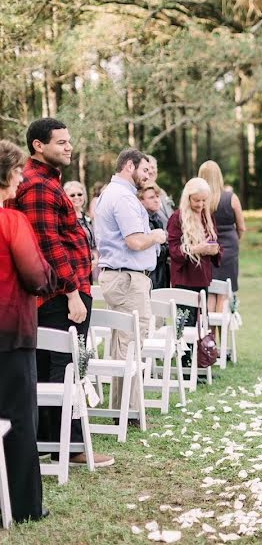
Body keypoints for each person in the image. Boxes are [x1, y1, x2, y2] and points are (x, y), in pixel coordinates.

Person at [9, 117, 113, 467]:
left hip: (58, 293)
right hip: (60, 295)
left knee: (54, 367)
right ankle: (72, 448)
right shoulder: (38, 186)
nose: (69, 147)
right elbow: (48, 246)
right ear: (38, 145)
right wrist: (71, 292)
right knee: (66, 368)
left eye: (69, 141)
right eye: (61, 142)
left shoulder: (45, 182)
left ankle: (51, 443)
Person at [0, 139, 53, 523]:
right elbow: (37, 275)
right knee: (18, 419)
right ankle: (23, 507)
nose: (22, 178)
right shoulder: (11, 221)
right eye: (18, 171)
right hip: (10, 333)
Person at [94, 148, 166, 418]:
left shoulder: (109, 194)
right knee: (132, 340)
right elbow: (134, 241)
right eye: (144, 170)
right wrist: (156, 236)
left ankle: (123, 407)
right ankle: (128, 411)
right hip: (127, 278)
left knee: (122, 341)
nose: (147, 176)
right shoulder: (123, 197)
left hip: (119, 276)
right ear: (128, 166)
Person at [166, 177, 221, 326]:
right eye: (197, 200)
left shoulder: (207, 216)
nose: (201, 205)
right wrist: (196, 249)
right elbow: (173, 250)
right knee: (185, 324)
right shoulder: (177, 218)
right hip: (184, 278)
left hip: (202, 277)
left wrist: (214, 250)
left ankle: (200, 350)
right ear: (187, 198)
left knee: (202, 324)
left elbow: (216, 242)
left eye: (204, 201)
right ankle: (186, 350)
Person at [198, 161, 245, 312]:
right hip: (229, 248)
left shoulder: (199, 200)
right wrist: (236, 238)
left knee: (211, 292)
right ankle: (222, 332)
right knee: (224, 292)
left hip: (208, 247)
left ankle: (209, 334)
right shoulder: (231, 198)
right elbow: (241, 227)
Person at [63, 180, 98, 281]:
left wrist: (95, 258)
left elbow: (93, 243)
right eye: (72, 195)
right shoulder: (64, 218)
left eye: (79, 194)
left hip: (89, 268)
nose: (77, 197)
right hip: (73, 270)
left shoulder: (86, 217)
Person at [139, 183, 171, 290]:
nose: (157, 200)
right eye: (151, 197)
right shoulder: (142, 221)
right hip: (150, 275)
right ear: (141, 201)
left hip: (161, 272)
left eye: (157, 196)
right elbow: (153, 252)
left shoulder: (157, 219)